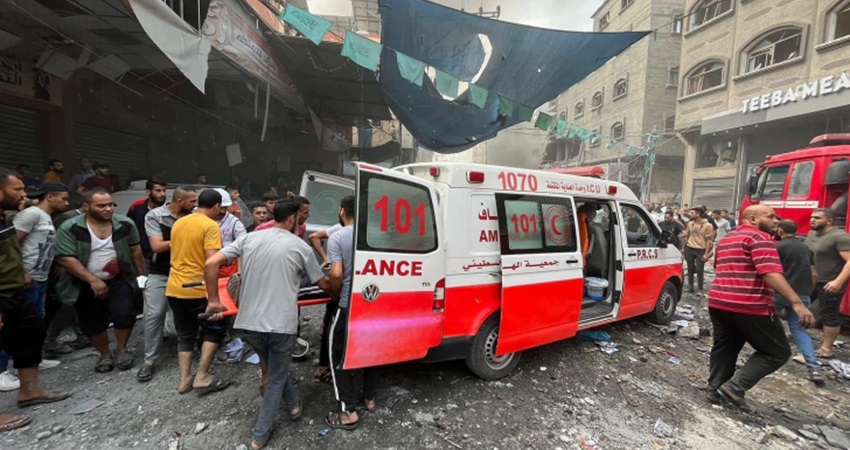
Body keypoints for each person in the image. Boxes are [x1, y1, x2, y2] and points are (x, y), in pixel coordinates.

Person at [204, 199, 330, 449]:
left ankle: (294, 405)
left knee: (275, 368)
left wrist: (214, 301)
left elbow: (210, 263)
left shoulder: (249, 238)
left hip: (248, 323)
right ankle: (260, 435)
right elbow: (323, 284)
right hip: (280, 324)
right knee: (275, 377)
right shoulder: (300, 246)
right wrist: (337, 284)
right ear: (292, 219)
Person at [707, 205, 814, 411]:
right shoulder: (760, 238)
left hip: (719, 302)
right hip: (750, 305)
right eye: (771, 216)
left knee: (725, 347)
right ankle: (734, 387)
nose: (776, 221)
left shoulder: (726, 239)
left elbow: (719, 267)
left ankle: (714, 390)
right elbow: (770, 273)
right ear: (753, 219)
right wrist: (797, 302)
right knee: (777, 352)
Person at [0, 167, 69, 429]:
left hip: (16, 289)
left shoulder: (5, 217)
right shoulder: (27, 215)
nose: (24, 193)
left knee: (32, 333)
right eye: (17, 189)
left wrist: (22, 272)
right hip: (3, 293)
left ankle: (28, 391)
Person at [55, 188, 146, 373]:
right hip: (83, 282)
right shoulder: (71, 227)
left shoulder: (124, 224)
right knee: (92, 322)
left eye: (111, 205)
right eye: (101, 206)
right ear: (86, 206)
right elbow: (65, 258)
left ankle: (121, 350)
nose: (108, 209)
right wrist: (93, 280)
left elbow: (136, 251)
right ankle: (104, 354)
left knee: (124, 314)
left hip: (119, 278)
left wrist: (142, 278)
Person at [165, 188, 229, 396]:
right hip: (197, 289)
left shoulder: (179, 222)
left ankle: (184, 379)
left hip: (174, 287)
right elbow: (212, 263)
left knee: (185, 333)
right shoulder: (210, 226)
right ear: (217, 206)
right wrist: (214, 299)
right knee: (215, 328)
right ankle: (202, 375)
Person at [327, 195, 379, 431]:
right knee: (372, 351)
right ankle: (370, 398)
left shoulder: (338, 237)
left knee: (338, 354)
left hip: (348, 305)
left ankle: (348, 411)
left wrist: (335, 294)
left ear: (342, 211)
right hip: (374, 303)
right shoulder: (377, 235)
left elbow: (336, 274)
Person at [136, 187, 198, 382]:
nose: (195, 205)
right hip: (161, 272)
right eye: (192, 201)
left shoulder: (194, 215)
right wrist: (185, 238)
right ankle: (149, 360)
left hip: (188, 270)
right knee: (154, 314)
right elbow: (157, 246)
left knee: (195, 311)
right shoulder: (156, 216)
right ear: (180, 201)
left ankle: (195, 350)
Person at [773, 220, 824, 385]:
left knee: (760, 321)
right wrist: (807, 292)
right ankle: (814, 368)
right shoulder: (805, 248)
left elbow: (771, 272)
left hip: (780, 293)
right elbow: (814, 273)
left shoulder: (777, 247)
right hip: (802, 295)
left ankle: (767, 355)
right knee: (799, 330)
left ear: (780, 230)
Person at [804, 208, 850, 359]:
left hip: (830, 283)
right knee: (802, 308)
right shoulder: (811, 234)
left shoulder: (840, 237)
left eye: (817, 218)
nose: (812, 220)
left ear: (829, 221)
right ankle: (798, 333)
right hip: (811, 281)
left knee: (829, 315)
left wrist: (838, 281)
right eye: (812, 217)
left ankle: (827, 348)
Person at [127, 180, 167, 261]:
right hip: (140, 253)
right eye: (158, 191)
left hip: (161, 255)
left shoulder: (168, 210)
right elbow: (128, 227)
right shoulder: (137, 206)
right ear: (148, 192)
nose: (162, 194)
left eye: (164, 190)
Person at [681, 207, 715, 293]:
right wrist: (683, 248)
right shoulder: (690, 223)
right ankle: (690, 287)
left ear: (698, 214)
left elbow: (708, 240)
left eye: (692, 213)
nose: (691, 215)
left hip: (700, 250)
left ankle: (700, 289)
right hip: (689, 248)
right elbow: (687, 236)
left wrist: (706, 254)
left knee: (700, 270)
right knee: (690, 269)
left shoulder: (708, 225)